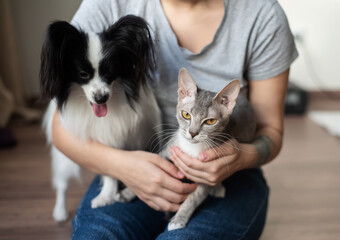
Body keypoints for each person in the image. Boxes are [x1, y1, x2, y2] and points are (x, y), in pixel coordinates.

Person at [52, 0, 298, 239]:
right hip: (136, 159)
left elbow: (270, 130)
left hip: (232, 171)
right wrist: (124, 168)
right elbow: (60, 129)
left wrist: (242, 157)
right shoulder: (109, 5)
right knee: (98, 235)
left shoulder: (262, 15)